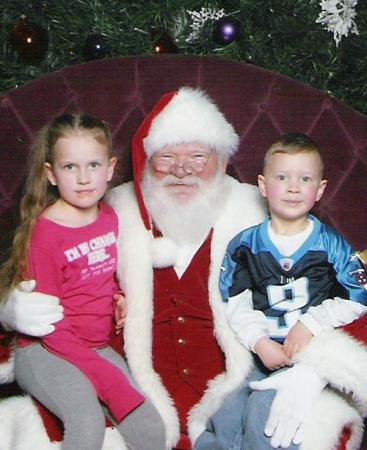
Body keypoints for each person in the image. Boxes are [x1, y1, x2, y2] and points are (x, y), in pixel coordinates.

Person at [0, 88, 367, 450]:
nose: (181, 171)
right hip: (131, 397)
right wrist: (10, 308)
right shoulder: (112, 210)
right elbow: (53, 270)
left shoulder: (256, 213)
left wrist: (313, 370)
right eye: (166, 158)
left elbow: (346, 289)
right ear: (145, 162)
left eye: (196, 157)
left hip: (232, 397)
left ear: (220, 159)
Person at [0, 113, 165, 450]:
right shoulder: (45, 235)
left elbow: (96, 275)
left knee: (150, 428)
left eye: (93, 165)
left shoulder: (109, 217)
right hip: (46, 350)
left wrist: (117, 296)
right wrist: (104, 378)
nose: (84, 178)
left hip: (96, 344)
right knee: (86, 421)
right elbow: (51, 328)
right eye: (70, 167)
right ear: (51, 174)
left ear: (109, 168)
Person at [194, 132, 367, 450]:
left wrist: (310, 323)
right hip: (261, 352)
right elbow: (235, 302)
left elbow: (358, 296)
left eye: (305, 178)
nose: (293, 187)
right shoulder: (245, 244)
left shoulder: (330, 244)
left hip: (309, 357)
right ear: (263, 185)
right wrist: (259, 342)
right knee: (227, 416)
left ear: (320, 189)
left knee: (266, 420)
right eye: (282, 177)